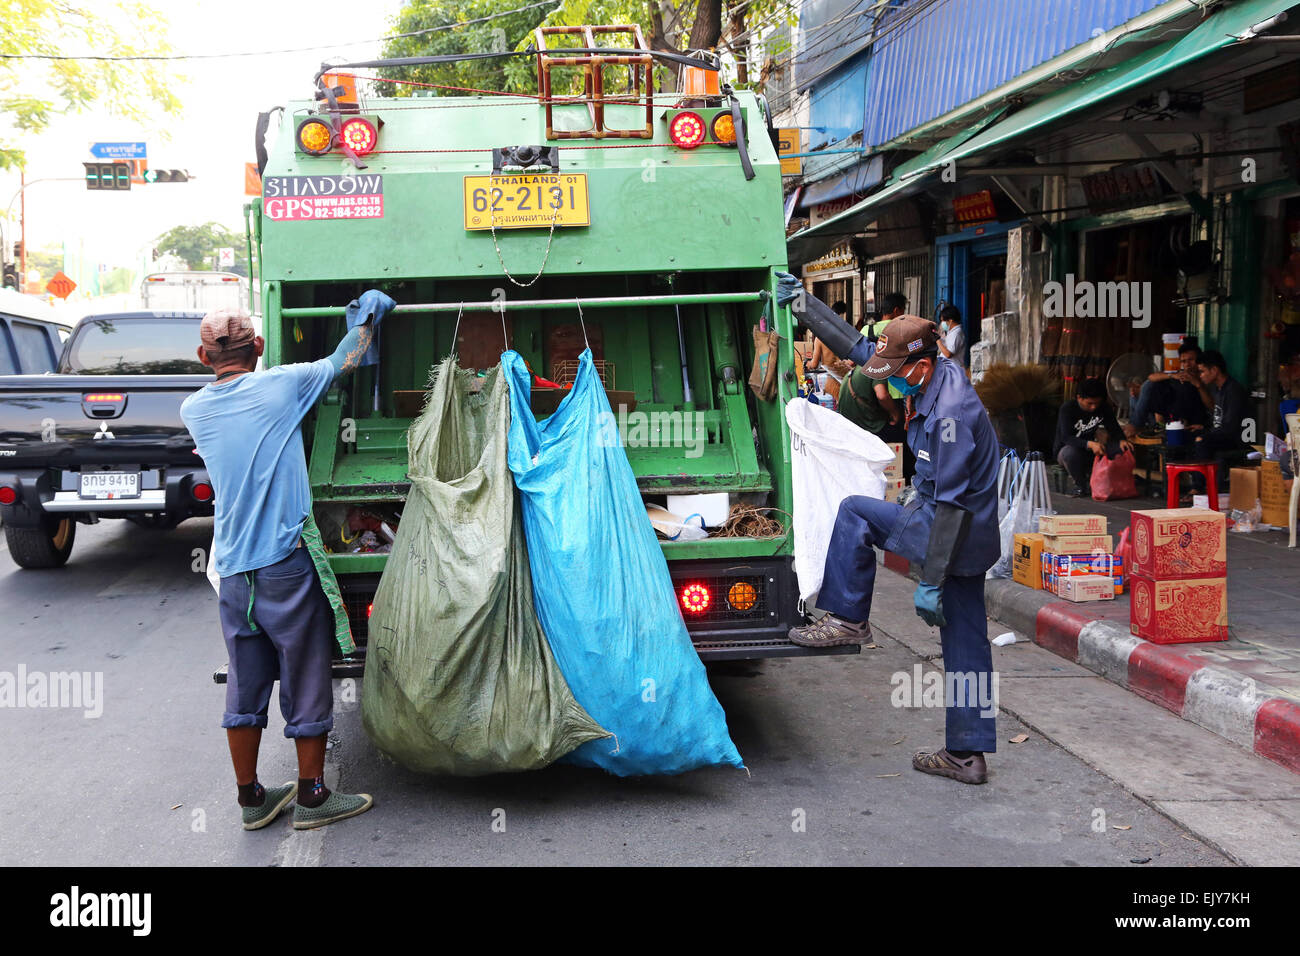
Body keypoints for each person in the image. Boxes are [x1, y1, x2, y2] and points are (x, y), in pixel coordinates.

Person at [180, 292, 394, 831]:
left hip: (232, 571)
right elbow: (345, 358)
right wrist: (366, 314)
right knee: (304, 674)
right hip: (284, 565)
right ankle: (314, 796)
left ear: (204, 358)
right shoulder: (282, 386)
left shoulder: (195, 409)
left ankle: (252, 798)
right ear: (258, 346)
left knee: (246, 680)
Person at [787, 316, 1003, 785]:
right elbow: (865, 351)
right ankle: (966, 755)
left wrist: (930, 580)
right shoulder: (931, 373)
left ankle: (848, 619)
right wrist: (806, 307)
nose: (890, 381)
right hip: (966, 533)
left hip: (949, 527)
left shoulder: (950, 414)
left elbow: (949, 506)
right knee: (967, 645)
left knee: (856, 512)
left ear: (922, 366)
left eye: (898, 372)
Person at [1053, 377, 1134, 498]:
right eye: (1089, 403)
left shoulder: (1103, 408)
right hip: (1068, 451)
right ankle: (1080, 486)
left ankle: (1117, 485)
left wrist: (1121, 440)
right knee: (1070, 453)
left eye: (1096, 403)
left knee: (1122, 449)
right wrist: (1089, 444)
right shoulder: (1067, 409)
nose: (1093, 407)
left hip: (1093, 450)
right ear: (1079, 398)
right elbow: (1066, 437)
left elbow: (1114, 428)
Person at [1124, 339, 1209, 436]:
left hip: (1180, 423)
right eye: (1184, 361)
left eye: (1191, 360)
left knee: (1147, 387)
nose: (1187, 364)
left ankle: (1135, 426)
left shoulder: (1204, 379)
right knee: (1137, 394)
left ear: (1199, 359)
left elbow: (1211, 407)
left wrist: (1198, 385)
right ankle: (1135, 426)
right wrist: (1172, 375)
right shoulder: (1179, 376)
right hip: (1162, 420)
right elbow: (1151, 377)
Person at [1191, 349, 1249, 475]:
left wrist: (1208, 433)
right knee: (1191, 435)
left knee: (1202, 441)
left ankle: (1199, 487)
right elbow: (1218, 420)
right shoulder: (1217, 390)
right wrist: (1204, 427)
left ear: (1214, 370)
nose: (1200, 375)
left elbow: (1230, 426)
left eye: (1202, 371)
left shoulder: (1234, 391)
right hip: (1221, 433)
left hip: (1235, 439)